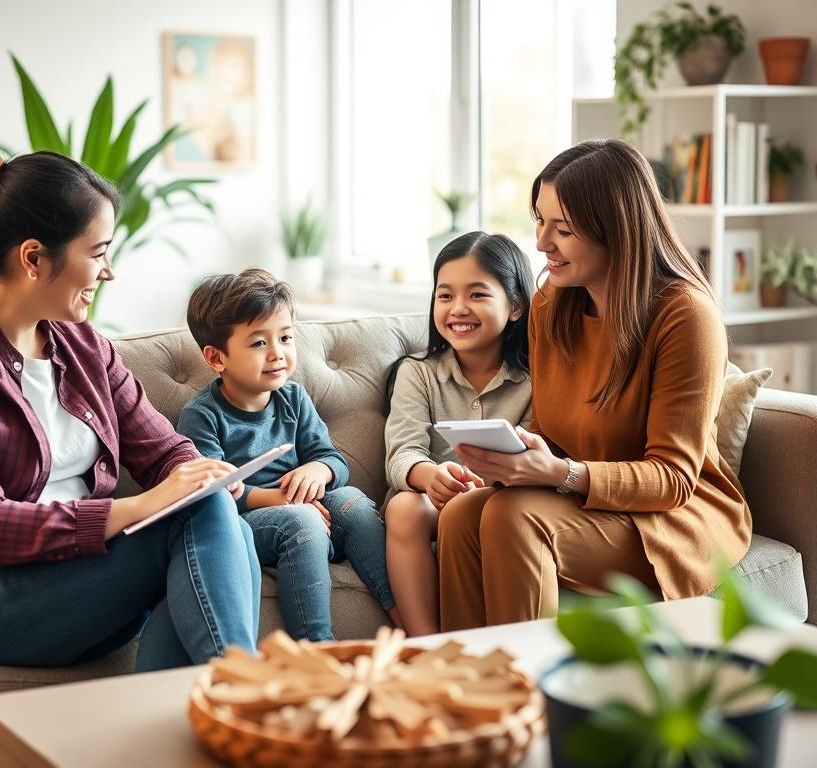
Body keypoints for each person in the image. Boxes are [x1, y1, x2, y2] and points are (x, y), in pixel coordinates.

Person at [0, 147, 261, 672]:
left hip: (62, 573)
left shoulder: (82, 344)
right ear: (34, 258)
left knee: (211, 508)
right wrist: (141, 507)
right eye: (98, 253)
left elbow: (162, 448)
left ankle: (187, 728)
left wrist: (196, 472)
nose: (108, 272)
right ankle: (244, 696)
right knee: (197, 516)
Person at [437, 139, 751, 630]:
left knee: (512, 519)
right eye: (539, 221)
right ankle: (468, 687)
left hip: (672, 516)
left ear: (617, 230)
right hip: (586, 498)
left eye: (562, 229)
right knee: (460, 516)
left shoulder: (685, 316)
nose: (541, 243)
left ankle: (531, 694)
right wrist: (512, 463)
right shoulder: (551, 304)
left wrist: (560, 474)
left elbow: (672, 479)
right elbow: (550, 430)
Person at [178, 269, 399, 641]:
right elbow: (215, 496)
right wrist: (285, 500)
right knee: (302, 521)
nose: (278, 353)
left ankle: (403, 618)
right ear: (217, 358)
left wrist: (318, 470)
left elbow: (333, 460)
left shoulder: (293, 398)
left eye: (284, 337)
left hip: (312, 509)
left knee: (354, 503)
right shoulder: (202, 416)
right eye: (259, 344)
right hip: (249, 523)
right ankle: (316, 649)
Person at [383, 232, 534, 636]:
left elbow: (540, 452)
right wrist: (431, 477)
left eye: (478, 295)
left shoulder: (538, 380)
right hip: (434, 501)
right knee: (403, 509)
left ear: (516, 305)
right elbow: (403, 451)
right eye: (445, 295)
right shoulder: (417, 372)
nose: (458, 309)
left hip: (506, 501)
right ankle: (427, 646)